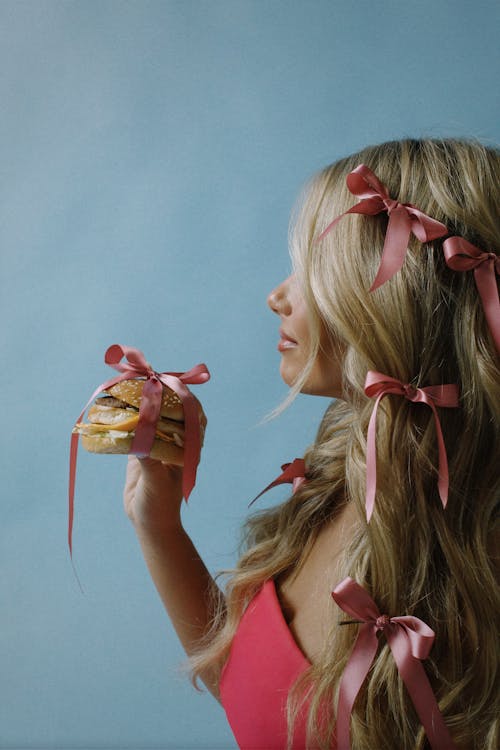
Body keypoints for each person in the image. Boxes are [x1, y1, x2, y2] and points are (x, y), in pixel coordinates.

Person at [123, 138, 499, 750]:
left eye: (311, 265)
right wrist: (159, 526)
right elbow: (272, 702)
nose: (277, 296)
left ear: (400, 286)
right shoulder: (335, 481)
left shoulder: (480, 552)